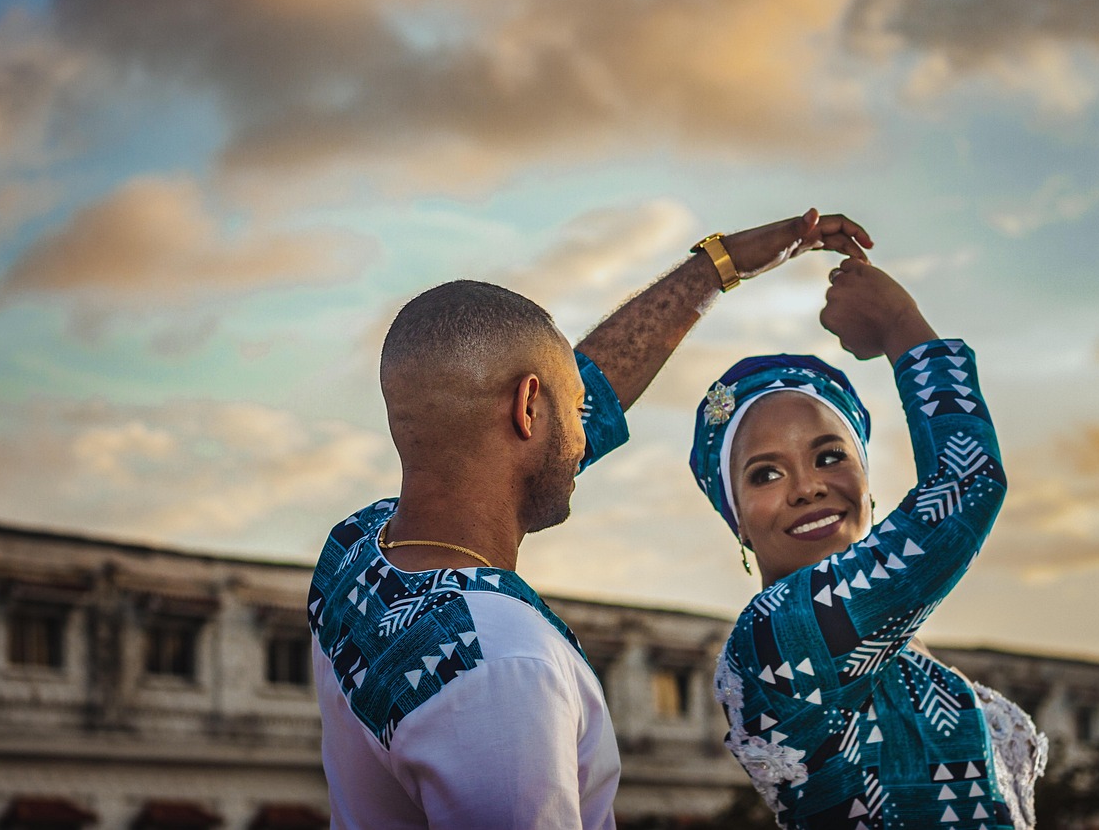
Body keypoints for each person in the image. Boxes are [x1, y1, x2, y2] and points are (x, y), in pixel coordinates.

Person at [308, 209, 875, 829]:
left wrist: (717, 268)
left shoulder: (355, 552)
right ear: (529, 408)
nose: (587, 430)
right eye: (575, 409)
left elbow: (584, 395)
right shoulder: (504, 665)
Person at [688, 258, 1048, 829]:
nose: (808, 487)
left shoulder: (893, 644)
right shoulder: (780, 637)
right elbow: (966, 483)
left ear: (866, 483)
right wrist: (900, 323)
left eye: (830, 457)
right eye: (766, 473)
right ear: (738, 521)